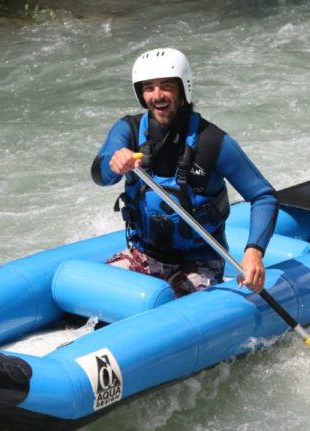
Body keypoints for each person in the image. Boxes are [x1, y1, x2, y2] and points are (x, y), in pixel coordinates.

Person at [91, 48, 278, 297]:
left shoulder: (213, 142)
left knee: (178, 307)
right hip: (145, 254)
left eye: (166, 86)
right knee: (101, 296)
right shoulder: (129, 131)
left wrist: (254, 252)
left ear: (183, 89)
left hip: (199, 261)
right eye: (148, 87)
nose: (157, 96)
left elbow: (263, 196)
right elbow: (100, 173)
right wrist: (112, 164)